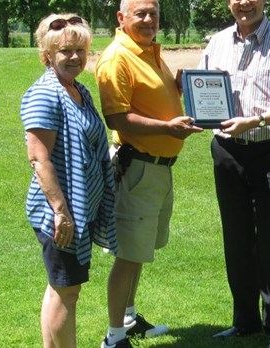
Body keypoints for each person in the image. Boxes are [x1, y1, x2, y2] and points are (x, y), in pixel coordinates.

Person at [198, 1, 270, 347]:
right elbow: (202, 89)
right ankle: (244, 319)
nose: (244, 3)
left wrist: (256, 120)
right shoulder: (216, 42)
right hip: (227, 152)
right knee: (236, 237)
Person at [94, 1, 203, 347]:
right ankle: (114, 337)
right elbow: (117, 118)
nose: (147, 19)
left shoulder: (147, 50)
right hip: (137, 167)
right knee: (128, 253)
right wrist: (167, 128)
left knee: (138, 250)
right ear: (121, 18)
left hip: (156, 170)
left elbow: (151, 98)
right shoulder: (117, 57)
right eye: (139, 13)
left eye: (153, 13)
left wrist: (179, 89)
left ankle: (128, 317)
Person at [20, 14, 117, 348]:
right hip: (59, 213)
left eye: (80, 50)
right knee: (68, 292)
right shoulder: (45, 94)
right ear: (48, 55)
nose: (75, 57)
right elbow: (38, 158)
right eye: (65, 51)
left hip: (77, 208)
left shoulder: (77, 89)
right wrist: (61, 211)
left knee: (58, 286)